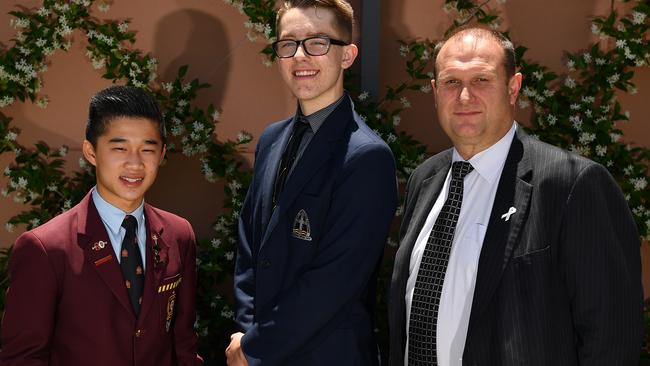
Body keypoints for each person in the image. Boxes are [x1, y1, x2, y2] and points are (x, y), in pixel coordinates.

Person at [388, 25, 643, 365]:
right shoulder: (425, 179)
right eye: (451, 82)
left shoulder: (572, 184)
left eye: (481, 80)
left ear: (513, 88)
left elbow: (612, 338)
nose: (464, 97)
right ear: (435, 91)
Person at [227, 1, 398, 365]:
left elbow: (334, 282)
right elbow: (248, 244)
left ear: (347, 55)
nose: (300, 56)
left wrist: (254, 347)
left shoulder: (367, 156)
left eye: (318, 43)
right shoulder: (271, 139)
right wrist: (245, 332)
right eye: (288, 44)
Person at [0, 85, 202, 366]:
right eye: (120, 148)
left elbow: (184, 347)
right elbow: (22, 359)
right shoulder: (45, 248)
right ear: (91, 151)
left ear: (162, 153)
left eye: (147, 149)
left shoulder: (180, 235)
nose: (135, 163)